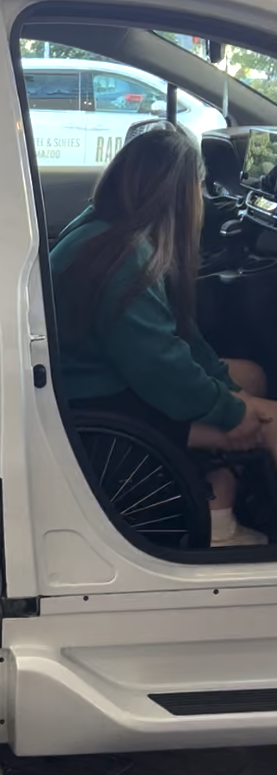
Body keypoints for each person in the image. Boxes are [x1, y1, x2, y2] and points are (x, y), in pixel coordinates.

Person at [50, 122, 277, 548]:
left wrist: (228, 388)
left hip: (103, 380)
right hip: (104, 406)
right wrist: (231, 411)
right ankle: (224, 536)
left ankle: (220, 517)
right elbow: (160, 368)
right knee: (272, 421)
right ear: (177, 192)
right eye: (200, 183)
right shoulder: (125, 260)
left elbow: (182, 339)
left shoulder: (106, 230)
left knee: (251, 377)